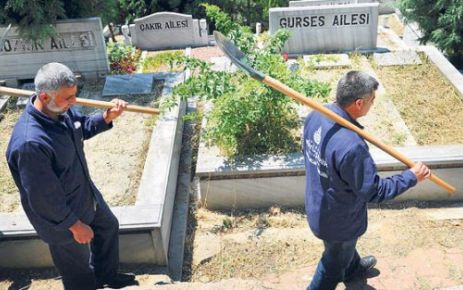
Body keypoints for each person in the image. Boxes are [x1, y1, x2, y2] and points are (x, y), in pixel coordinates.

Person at [6, 63, 137, 290]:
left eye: (74, 95)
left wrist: (106, 117)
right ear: (45, 97)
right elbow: (43, 199)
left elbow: (81, 126)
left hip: (85, 195)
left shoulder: (61, 111)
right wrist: (75, 226)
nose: (74, 102)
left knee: (107, 227)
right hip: (61, 219)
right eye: (68, 98)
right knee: (77, 270)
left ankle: (106, 276)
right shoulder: (31, 143)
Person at [303, 71, 431, 290]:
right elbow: (374, 192)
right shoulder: (352, 146)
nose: (373, 104)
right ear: (359, 103)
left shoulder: (315, 115)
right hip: (339, 221)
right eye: (372, 100)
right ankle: (342, 268)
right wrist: (411, 177)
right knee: (331, 266)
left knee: (339, 249)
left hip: (319, 206)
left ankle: (353, 269)